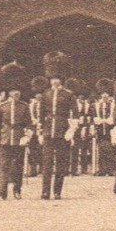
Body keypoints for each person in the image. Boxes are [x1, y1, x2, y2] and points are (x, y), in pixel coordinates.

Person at [34, 53, 80, 201]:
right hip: (48, 131)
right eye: (53, 79)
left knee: (61, 164)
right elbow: (41, 115)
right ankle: (45, 191)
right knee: (46, 164)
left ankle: (57, 191)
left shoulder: (68, 95)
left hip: (62, 131)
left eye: (57, 79)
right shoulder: (45, 95)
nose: (54, 81)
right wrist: (40, 132)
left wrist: (71, 131)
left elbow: (75, 114)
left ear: (61, 80)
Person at [0, 61, 32, 200]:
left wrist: (26, 136)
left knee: (17, 167)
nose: (16, 93)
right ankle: (2, 191)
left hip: (19, 138)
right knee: (4, 166)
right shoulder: (2, 106)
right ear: (9, 92)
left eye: (18, 91)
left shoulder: (24, 106)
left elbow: (29, 124)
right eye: (14, 91)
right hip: (5, 137)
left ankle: (17, 189)